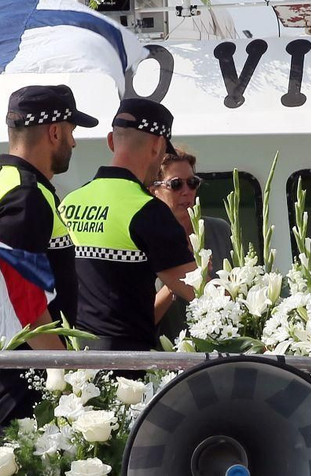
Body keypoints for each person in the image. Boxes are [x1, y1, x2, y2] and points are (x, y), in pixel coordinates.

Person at [58, 98, 197, 353]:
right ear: (157, 147)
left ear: (111, 141)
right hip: (128, 368)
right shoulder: (149, 210)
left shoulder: (68, 203)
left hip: (76, 363)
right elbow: (196, 289)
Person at [0, 84, 93, 344]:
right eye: (71, 132)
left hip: (10, 355)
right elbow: (23, 298)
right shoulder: (25, 194)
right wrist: (61, 373)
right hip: (29, 369)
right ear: (54, 132)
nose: (73, 142)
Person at [152, 145, 234, 344]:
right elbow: (143, 319)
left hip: (221, 346)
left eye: (193, 182)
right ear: (154, 189)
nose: (187, 191)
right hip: (170, 353)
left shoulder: (219, 230)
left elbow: (237, 293)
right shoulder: (148, 238)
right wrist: (177, 282)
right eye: (176, 184)